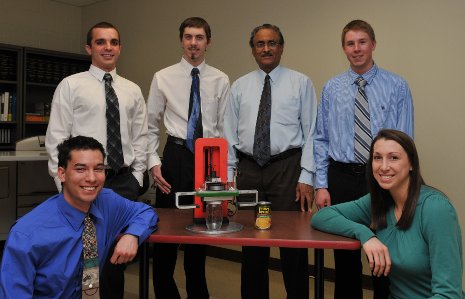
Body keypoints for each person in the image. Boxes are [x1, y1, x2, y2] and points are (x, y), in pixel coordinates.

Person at [45, 22, 148, 298]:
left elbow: (141, 138)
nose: (108, 47)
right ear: (89, 48)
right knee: (83, 256)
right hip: (83, 184)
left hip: (123, 181)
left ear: (120, 48)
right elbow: (56, 139)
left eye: (113, 42)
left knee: (116, 259)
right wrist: (64, 187)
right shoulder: (71, 85)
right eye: (101, 42)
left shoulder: (132, 90)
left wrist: (137, 178)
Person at [313, 19, 414, 298]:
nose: (356, 49)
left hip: (384, 178)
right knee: (345, 260)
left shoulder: (397, 86)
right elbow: (321, 138)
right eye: (350, 43)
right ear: (344, 49)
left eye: (362, 42)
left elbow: (405, 142)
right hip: (341, 177)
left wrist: (401, 188)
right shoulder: (332, 88)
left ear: (373, 44)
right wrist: (321, 184)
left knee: (385, 256)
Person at [312, 129, 464, 298]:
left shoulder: (436, 209)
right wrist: (366, 235)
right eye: (377, 158)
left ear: (412, 163)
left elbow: (448, 294)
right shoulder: (378, 202)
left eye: (394, 157)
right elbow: (322, 217)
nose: (384, 167)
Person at [224, 24, 317, 299]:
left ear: (282, 47)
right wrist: (230, 176)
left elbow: (312, 131)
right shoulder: (239, 86)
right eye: (260, 44)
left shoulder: (301, 83)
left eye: (272, 43)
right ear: (253, 49)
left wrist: (306, 177)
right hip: (250, 171)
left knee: (293, 245)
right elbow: (229, 134)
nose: (266, 48)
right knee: (252, 244)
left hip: (287, 171)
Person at [0, 136, 158, 298]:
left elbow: (146, 212)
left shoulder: (107, 202)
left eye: (98, 169)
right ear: (61, 174)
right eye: (80, 169)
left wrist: (132, 235)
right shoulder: (25, 235)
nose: (91, 178)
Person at [146, 17, 229, 299]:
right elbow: (149, 125)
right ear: (181, 40)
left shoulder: (221, 79)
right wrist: (153, 163)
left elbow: (224, 127)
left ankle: (198, 294)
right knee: (166, 234)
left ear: (208, 42)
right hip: (175, 155)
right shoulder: (163, 77)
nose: (194, 43)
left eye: (200, 37)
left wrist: (225, 170)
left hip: (209, 158)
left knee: (201, 231)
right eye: (189, 37)